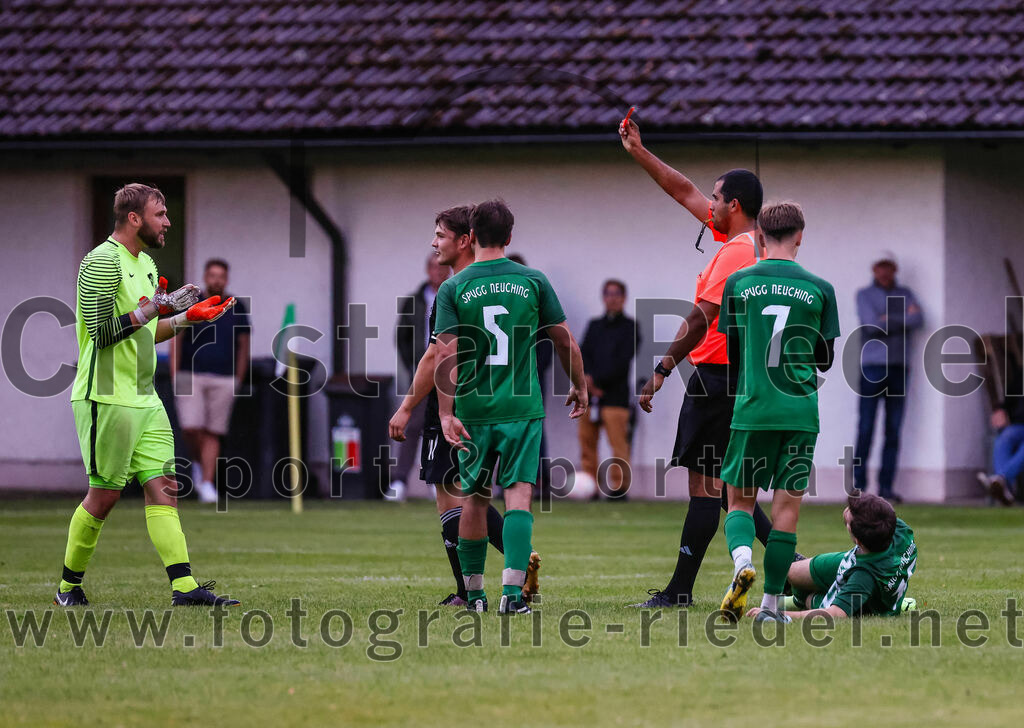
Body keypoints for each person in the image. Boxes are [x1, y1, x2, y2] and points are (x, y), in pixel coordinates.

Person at [55, 183, 240, 607]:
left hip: (145, 397)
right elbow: (102, 335)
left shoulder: (148, 265)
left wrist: (187, 318)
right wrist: (155, 308)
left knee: (165, 486)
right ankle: (67, 588)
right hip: (106, 397)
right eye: (160, 213)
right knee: (105, 495)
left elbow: (144, 332)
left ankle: (184, 587)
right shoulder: (100, 261)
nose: (168, 221)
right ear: (134, 218)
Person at [619, 114, 777, 608]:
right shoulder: (755, 243)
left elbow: (702, 316)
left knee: (706, 485)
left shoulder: (735, 254)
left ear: (733, 205)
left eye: (716, 197)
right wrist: (640, 152)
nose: (706, 203)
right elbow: (682, 191)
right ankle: (791, 570)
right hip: (745, 375)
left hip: (716, 376)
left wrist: (663, 368)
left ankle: (680, 591)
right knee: (737, 488)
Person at [434, 199, 588, 614]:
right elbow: (563, 340)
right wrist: (579, 386)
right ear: (510, 236)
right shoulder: (533, 281)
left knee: (475, 499)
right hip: (521, 407)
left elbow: (446, 354)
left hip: (474, 408)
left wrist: (446, 412)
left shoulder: (454, 287)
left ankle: (476, 596)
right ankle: (512, 596)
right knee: (518, 496)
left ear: (472, 236)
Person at [388, 206, 523, 607]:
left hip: (452, 403)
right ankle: (514, 559)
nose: (434, 244)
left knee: (452, 495)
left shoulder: (454, 290)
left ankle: (472, 590)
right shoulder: (501, 286)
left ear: (465, 240)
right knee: (475, 493)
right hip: (491, 400)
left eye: (440, 236)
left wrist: (407, 406)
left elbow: (435, 358)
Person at [718, 201, 841, 623]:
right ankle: (771, 607)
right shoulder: (821, 288)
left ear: (760, 236)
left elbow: (734, 351)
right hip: (800, 412)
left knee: (739, 500)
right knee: (786, 511)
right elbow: (824, 360)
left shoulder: (738, 283)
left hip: (753, 408)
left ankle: (740, 563)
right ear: (800, 236)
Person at [746, 493, 918, 620]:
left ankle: (795, 600)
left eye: (851, 517)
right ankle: (893, 601)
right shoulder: (899, 530)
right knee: (791, 573)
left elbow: (835, 614)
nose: (848, 510)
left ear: (857, 541)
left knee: (810, 598)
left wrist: (778, 615)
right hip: (871, 572)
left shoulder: (863, 575)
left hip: (864, 579)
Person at [171, 258, 251, 504]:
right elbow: (176, 338)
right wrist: (174, 374)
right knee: (191, 427)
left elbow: (244, 345)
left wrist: (238, 378)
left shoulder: (236, 307)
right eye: (212, 275)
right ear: (206, 276)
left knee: (213, 431)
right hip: (189, 375)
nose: (216, 280)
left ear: (226, 279)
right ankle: (197, 462)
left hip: (224, 378)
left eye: (221, 276)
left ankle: (206, 483)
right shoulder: (192, 303)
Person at [854, 252, 924, 503]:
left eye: (889, 268)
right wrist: (900, 318)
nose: (885, 273)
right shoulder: (864, 295)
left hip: (898, 368)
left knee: (893, 430)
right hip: (872, 368)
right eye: (880, 268)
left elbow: (918, 319)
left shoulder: (905, 293)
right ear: (874, 269)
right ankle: (859, 486)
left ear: (894, 270)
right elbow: (871, 325)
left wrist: (888, 319)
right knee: (866, 428)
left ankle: (886, 488)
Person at [387, 254, 450, 502]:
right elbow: (401, 337)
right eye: (434, 268)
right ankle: (400, 480)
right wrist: (416, 364)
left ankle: (440, 478)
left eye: (442, 267)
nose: (438, 272)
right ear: (427, 270)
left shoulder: (456, 294)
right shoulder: (414, 301)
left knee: (445, 425)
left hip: (449, 373)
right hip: (423, 371)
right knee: (413, 425)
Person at [578, 279, 640, 498]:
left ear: (623, 298)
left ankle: (619, 488)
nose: (612, 298)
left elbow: (623, 361)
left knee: (618, 446)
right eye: (608, 294)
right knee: (587, 443)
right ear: (603, 297)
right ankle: (590, 487)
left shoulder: (630, 327)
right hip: (590, 396)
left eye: (616, 294)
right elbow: (582, 353)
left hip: (615, 396)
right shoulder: (595, 326)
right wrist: (588, 381)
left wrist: (598, 382)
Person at [976, 379, 1024, 506]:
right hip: (1019, 425)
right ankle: (1003, 486)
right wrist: (1000, 410)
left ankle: (1000, 480)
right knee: (1004, 439)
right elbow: (1009, 400)